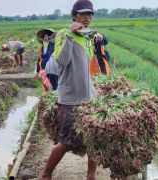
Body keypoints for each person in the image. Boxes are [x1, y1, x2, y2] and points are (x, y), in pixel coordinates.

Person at [39, 0, 102, 180]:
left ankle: (91, 176)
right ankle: (45, 175)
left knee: (93, 138)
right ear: (74, 15)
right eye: (82, 14)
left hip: (89, 97)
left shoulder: (87, 37)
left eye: (89, 14)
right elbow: (62, 61)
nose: (87, 17)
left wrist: (94, 37)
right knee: (66, 141)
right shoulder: (63, 34)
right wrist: (70, 33)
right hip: (70, 98)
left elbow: (86, 64)